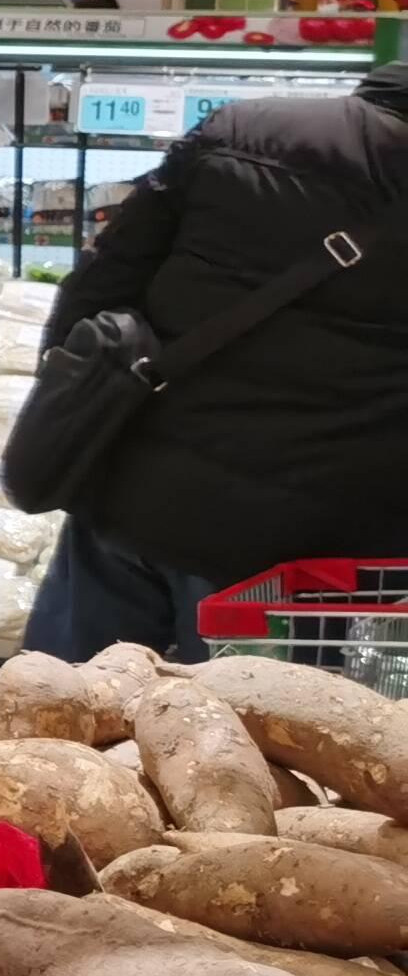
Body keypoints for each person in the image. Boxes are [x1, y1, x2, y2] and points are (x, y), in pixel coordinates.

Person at [22, 60, 408, 659]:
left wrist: (73, 396)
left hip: (138, 492)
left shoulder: (245, 128)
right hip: (307, 559)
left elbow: (100, 285)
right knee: (232, 743)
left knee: (62, 719)